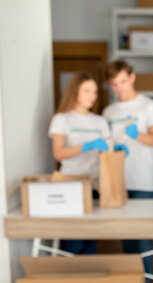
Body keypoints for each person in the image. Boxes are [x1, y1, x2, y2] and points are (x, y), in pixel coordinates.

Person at [103, 60, 153, 283]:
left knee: (141, 239)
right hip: (115, 181)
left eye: (122, 81)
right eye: (113, 84)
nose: (119, 88)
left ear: (132, 77)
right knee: (124, 237)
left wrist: (135, 134)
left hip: (141, 180)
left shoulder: (149, 107)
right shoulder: (109, 112)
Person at [49, 72, 125, 254]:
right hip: (70, 187)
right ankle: (70, 280)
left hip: (94, 186)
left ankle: (87, 281)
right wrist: (86, 146)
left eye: (95, 92)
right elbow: (58, 153)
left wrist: (117, 149)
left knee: (90, 241)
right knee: (73, 242)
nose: (92, 96)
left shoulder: (99, 122)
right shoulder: (61, 120)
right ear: (74, 91)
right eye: (87, 91)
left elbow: (107, 151)